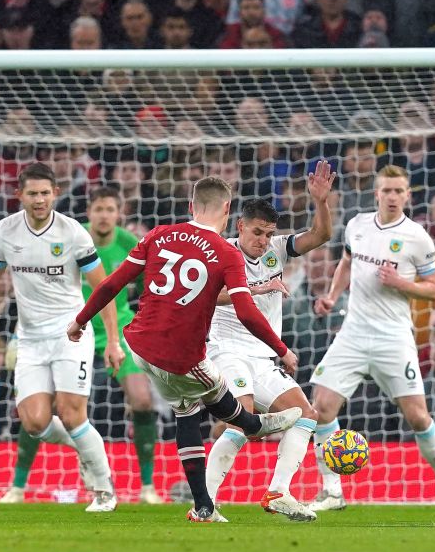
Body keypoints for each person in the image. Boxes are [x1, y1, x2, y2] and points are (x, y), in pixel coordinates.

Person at [69, 176, 303, 522]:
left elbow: (111, 284)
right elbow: (245, 312)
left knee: (186, 411)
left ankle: (204, 506)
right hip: (178, 356)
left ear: (192, 207)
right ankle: (253, 425)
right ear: (227, 210)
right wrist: (281, 348)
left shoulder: (157, 235)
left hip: (139, 345)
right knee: (215, 390)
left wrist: (80, 320)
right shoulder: (226, 252)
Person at [309, 165, 435, 512]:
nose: (391, 196)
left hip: (394, 337)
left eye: (398, 191)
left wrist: (401, 283)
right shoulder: (356, 225)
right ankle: (332, 491)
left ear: (407, 195)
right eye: (386, 190)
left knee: (418, 416)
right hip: (354, 333)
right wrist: (331, 295)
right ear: (376, 193)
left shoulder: (418, 237)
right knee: (321, 408)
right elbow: (346, 264)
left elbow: (434, 290)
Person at [0, 186, 163, 505]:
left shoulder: (131, 245)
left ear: (119, 214)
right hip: (71, 328)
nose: (104, 215)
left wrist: (141, 326)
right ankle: (18, 486)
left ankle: (147, 488)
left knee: (142, 400)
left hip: (118, 328)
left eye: (110, 210)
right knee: (44, 406)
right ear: (89, 212)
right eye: (98, 209)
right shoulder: (71, 236)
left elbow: (149, 289)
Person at [0, 163, 122, 513]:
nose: (40, 199)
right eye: (32, 193)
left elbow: (102, 289)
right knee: (34, 423)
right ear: (20, 195)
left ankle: (104, 490)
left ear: (55, 193)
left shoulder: (73, 233)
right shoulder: (4, 232)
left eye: (45, 192)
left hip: (70, 332)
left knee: (73, 413)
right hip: (29, 338)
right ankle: (85, 447)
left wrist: (114, 341)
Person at [204, 160, 334, 522]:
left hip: (262, 358)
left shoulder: (278, 248)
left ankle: (279, 492)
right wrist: (257, 287)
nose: (262, 241)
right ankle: (205, 504)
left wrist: (321, 202)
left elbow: (321, 236)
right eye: (256, 233)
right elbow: (204, 296)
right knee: (241, 419)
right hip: (226, 349)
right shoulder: (220, 252)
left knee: (305, 415)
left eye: (267, 234)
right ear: (240, 226)